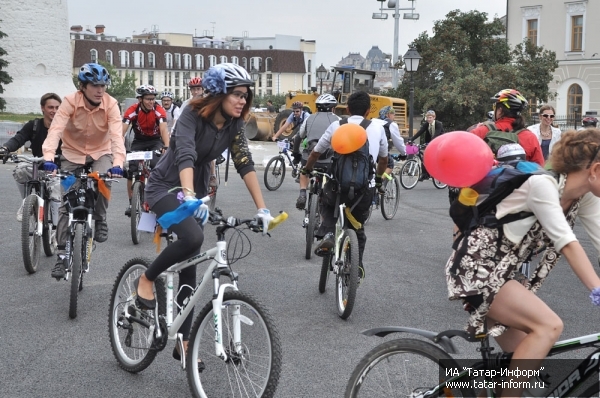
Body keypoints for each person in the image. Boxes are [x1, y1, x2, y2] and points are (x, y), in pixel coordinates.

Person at [134, 63, 274, 366]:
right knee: (193, 235)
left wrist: (262, 208)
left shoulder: (235, 124)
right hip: (166, 186)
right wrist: (189, 195)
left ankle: (182, 341)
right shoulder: (191, 114)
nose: (242, 100)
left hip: (194, 188)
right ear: (219, 93)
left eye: (245, 96)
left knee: (192, 257)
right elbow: (184, 153)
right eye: (236, 94)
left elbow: (244, 162)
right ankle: (146, 279)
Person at [446, 128, 600, 397]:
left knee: (524, 368)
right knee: (548, 327)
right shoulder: (542, 185)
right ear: (595, 170)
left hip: (504, 274)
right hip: (478, 269)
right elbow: (566, 241)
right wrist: (596, 287)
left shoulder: (582, 197)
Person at [42, 63, 125, 279]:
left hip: (101, 153)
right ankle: (62, 256)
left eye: (103, 86)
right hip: (71, 155)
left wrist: (118, 163)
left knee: (103, 180)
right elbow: (55, 130)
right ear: (83, 86)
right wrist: (49, 158)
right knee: (65, 201)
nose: (100, 90)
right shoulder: (70, 102)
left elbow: (117, 136)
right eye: (94, 85)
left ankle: (100, 218)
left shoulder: (111, 104)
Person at [305, 91, 388, 282]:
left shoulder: (337, 125)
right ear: (369, 111)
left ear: (348, 109)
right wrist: (378, 177)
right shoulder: (377, 128)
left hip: (338, 188)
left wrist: (306, 169)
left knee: (328, 203)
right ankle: (356, 265)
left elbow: (316, 153)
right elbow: (383, 160)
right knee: (358, 229)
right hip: (364, 190)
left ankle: (327, 232)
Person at [0, 93, 62, 221]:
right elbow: (19, 139)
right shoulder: (34, 126)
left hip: (58, 171)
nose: (54, 111)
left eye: (57, 107)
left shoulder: (65, 128)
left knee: (57, 190)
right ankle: (26, 203)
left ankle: (57, 229)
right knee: (20, 170)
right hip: (37, 166)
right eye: (50, 107)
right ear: (42, 108)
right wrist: (5, 148)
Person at [122, 85, 169, 216]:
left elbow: (164, 129)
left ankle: (156, 196)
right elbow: (122, 131)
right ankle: (132, 203)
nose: (151, 102)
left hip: (155, 141)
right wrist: (119, 148)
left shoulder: (159, 110)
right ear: (140, 99)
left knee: (156, 166)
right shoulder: (132, 110)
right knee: (132, 169)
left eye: (153, 99)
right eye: (148, 99)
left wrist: (166, 146)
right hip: (139, 141)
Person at [470, 89, 545, 166]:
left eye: (494, 107)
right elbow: (539, 168)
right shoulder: (530, 137)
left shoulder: (480, 132)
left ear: (499, 110)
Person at [293, 93, 340, 209]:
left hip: (310, 158)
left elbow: (299, 136)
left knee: (304, 172)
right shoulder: (338, 120)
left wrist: (296, 154)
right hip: (329, 161)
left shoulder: (309, 118)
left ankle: (302, 193)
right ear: (332, 108)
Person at [175, 77, 218, 188]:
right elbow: (179, 120)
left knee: (209, 153)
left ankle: (212, 175)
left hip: (204, 133)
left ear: (203, 90)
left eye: (198, 89)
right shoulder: (186, 104)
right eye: (193, 89)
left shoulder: (208, 103)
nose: (195, 92)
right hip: (190, 134)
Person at [370, 105, 407, 177]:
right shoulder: (391, 124)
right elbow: (398, 142)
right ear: (389, 114)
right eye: (394, 114)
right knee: (389, 164)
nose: (394, 117)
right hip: (378, 148)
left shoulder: (372, 121)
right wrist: (404, 154)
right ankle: (378, 182)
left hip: (366, 148)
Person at [411, 109, 444, 180]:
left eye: (430, 117)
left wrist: (431, 143)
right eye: (428, 117)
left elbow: (436, 134)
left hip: (439, 142)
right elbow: (420, 132)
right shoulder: (427, 124)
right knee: (424, 157)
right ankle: (424, 174)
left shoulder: (438, 124)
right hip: (430, 142)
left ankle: (436, 170)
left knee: (433, 156)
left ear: (434, 117)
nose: (429, 119)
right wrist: (411, 139)